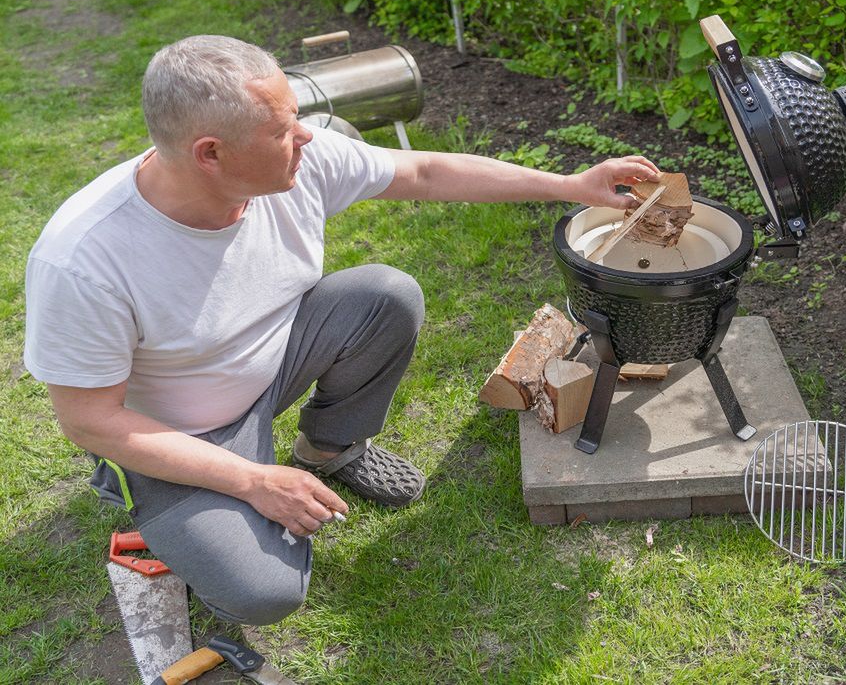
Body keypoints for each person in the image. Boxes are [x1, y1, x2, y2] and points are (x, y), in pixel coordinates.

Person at [24, 35, 659, 625]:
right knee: (265, 592)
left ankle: (327, 450)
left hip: (274, 359)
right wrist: (250, 480)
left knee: (384, 295)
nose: (304, 135)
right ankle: (154, 485)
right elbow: (89, 421)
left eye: (295, 115)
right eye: (280, 130)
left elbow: (424, 173)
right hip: (182, 428)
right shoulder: (85, 259)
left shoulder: (298, 161)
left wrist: (571, 185)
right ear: (209, 154)